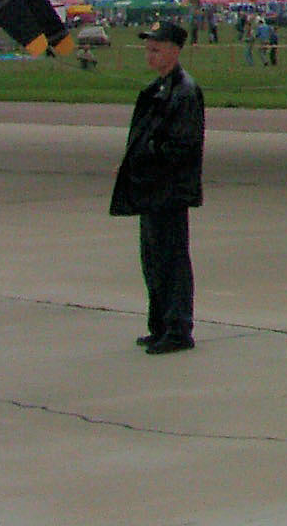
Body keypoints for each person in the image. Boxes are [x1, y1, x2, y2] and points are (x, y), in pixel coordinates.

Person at [111, 21, 204, 355]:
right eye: (148, 48)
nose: (150, 54)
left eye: (156, 48)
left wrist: (144, 159)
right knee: (152, 258)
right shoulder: (158, 90)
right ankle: (160, 324)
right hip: (152, 190)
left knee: (172, 258)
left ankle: (179, 328)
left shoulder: (184, 92)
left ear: (174, 51)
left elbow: (181, 145)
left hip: (169, 190)